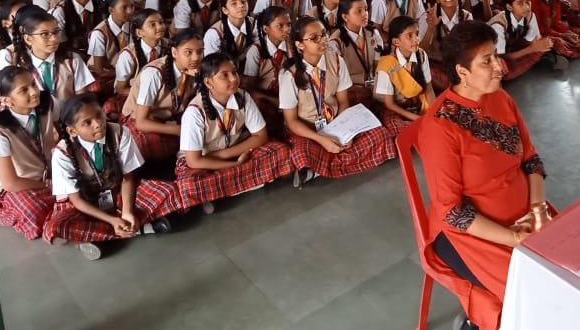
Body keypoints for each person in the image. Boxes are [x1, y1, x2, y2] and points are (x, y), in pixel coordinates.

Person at [417, 20, 550, 330]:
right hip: (468, 234)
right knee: (533, 295)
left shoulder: (500, 99)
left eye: (496, 57)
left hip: (527, 217)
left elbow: (531, 160)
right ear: (462, 72)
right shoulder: (439, 127)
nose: (499, 67)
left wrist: (538, 211)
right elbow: (452, 211)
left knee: (570, 271)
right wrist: (513, 238)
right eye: (487, 61)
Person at [44, 94, 180, 259]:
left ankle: (102, 237)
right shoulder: (62, 154)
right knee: (57, 228)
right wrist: (112, 220)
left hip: (117, 193)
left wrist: (127, 212)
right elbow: (77, 201)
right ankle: (141, 228)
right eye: (87, 122)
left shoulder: (120, 133)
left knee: (171, 191)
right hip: (86, 203)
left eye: (99, 115)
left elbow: (128, 177)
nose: (97, 124)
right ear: (72, 131)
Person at [279, 17, 397, 182]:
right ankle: (324, 163)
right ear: (300, 45)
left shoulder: (336, 60)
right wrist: (321, 139)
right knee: (301, 153)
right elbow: (291, 121)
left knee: (380, 135)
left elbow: (343, 102)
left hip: (335, 121)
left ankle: (318, 169)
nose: (323, 40)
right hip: (307, 128)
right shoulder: (289, 75)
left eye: (324, 35)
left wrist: (345, 132)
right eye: (314, 38)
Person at [176, 53, 293, 213]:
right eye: (224, 75)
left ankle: (218, 193)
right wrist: (234, 164)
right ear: (208, 82)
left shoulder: (243, 96)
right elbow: (194, 161)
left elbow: (261, 136)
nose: (233, 79)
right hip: (205, 160)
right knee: (190, 185)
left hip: (236, 149)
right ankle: (240, 181)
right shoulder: (194, 112)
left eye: (234, 72)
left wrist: (225, 155)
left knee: (281, 150)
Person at [0, 66, 58, 240]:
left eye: (33, 84)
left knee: (87, 184)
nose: (34, 92)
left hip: (52, 171)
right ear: (7, 101)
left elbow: (60, 131)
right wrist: (48, 185)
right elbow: (11, 183)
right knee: (33, 210)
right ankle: (58, 224)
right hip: (25, 182)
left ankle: (60, 219)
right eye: (23, 90)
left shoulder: (46, 104)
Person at [121, 29, 202, 161]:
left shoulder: (198, 69)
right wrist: (179, 130)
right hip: (141, 120)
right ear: (174, 52)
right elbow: (141, 122)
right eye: (188, 52)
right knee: (145, 146)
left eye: (200, 52)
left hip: (171, 117)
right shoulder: (154, 73)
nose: (196, 58)